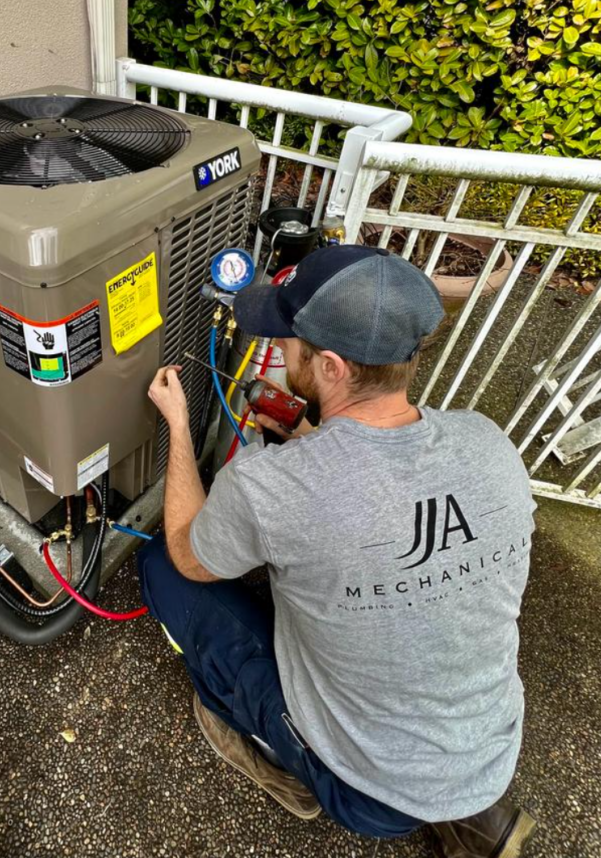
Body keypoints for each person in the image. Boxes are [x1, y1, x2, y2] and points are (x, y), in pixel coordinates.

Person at [139, 245, 536, 858]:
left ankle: (289, 767)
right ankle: (469, 814)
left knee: (163, 571)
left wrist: (179, 427)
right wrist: (312, 440)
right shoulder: (488, 444)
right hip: (489, 749)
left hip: (365, 793)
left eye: (289, 344)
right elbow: (383, 496)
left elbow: (191, 554)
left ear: (327, 365)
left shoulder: (274, 487)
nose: (282, 353)